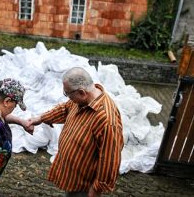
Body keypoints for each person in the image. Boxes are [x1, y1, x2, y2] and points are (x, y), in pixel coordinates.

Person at [30, 67, 124, 197]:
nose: (67, 98)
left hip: (85, 186)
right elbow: (65, 109)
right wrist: (41, 118)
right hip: (73, 177)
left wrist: (96, 189)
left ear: (81, 92)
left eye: (67, 94)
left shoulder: (106, 119)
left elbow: (110, 158)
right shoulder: (81, 100)